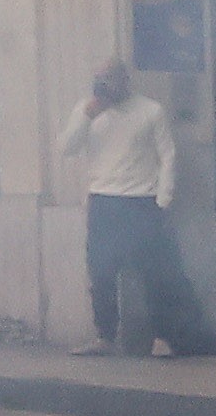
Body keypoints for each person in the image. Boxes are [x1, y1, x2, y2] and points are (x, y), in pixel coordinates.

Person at [61, 61, 185, 357]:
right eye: (99, 80)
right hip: (103, 200)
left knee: (153, 272)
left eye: (109, 80)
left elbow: (168, 155)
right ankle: (104, 335)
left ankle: (161, 337)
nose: (105, 86)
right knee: (101, 272)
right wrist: (87, 116)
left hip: (141, 201)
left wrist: (163, 200)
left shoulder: (150, 111)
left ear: (124, 81)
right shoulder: (87, 110)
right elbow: (66, 148)